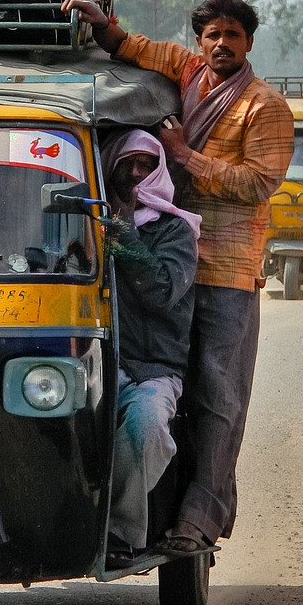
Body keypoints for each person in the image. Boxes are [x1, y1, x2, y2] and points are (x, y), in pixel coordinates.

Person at [61, 0, 291, 555]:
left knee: (217, 396)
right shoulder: (187, 73)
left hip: (224, 269)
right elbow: (136, 48)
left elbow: (259, 183)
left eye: (232, 34)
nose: (221, 43)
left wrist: (184, 156)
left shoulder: (265, 106)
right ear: (200, 42)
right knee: (155, 388)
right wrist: (101, 23)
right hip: (165, 251)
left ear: (249, 43)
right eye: (213, 35)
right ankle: (151, 509)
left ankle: (199, 517)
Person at [101, 129, 200, 566]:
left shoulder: (175, 230)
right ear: (112, 169)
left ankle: (117, 532)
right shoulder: (91, 223)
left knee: (147, 429)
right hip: (93, 365)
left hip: (152, 370)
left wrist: (125, 237)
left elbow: (162, 290)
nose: (137, 173)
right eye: (129, 164)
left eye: (147, 165)